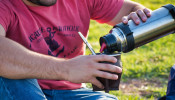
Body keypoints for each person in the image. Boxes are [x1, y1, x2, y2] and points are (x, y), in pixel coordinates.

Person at [0, 0, 151, 99]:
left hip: (71, 92)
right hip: (21, 88)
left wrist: (139, 14)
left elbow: (130, 8)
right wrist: (65, 69)